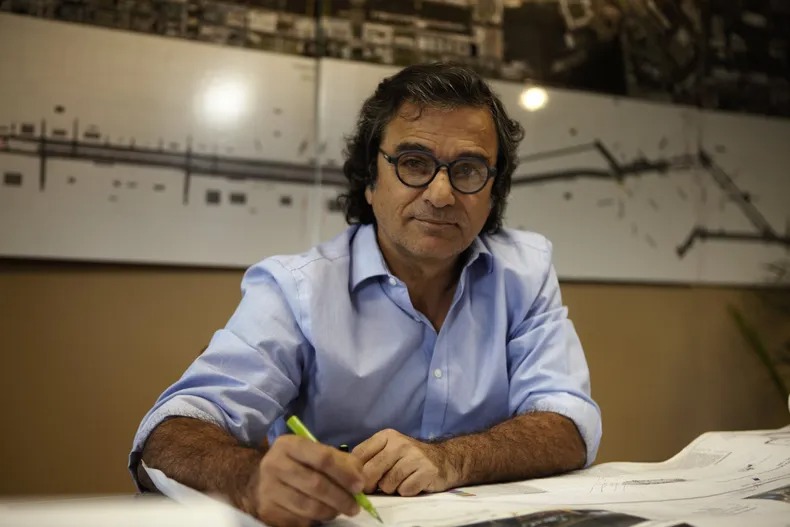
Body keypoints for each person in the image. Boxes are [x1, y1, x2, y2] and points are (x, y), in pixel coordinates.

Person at [131, 63, 602, 527]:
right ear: (370, 180)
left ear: (493, 190)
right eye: (414, 163)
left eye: (468, 169)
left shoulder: (526, 270)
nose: (441, 194)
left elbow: (569, 424)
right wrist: (249, 478)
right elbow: (168, 434)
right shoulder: (296, 289)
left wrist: (453, 459)